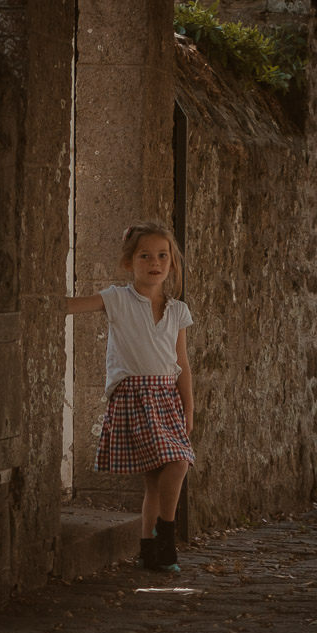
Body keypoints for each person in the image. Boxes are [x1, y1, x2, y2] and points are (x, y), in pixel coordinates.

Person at [67, 222, 194, 571]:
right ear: (129, 263)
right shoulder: (117, 300)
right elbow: (69, 306)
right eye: (145, 256)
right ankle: (166, 537)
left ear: (172, 263)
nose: (155, 262)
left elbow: (182, 363)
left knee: (157, 480)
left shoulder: (178, 310)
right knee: (178, 461)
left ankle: (148, 549)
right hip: (134, 397)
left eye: (163, 256)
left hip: (167, 398)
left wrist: (189, 410)